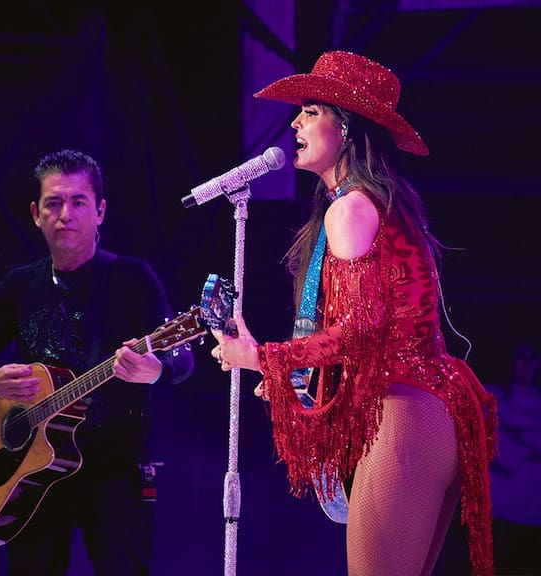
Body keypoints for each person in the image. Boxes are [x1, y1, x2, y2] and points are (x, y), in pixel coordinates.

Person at [209, 51, 497, 576]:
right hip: (427, 403)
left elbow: (360, 332)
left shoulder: (352, 207)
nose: (294, 123)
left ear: (345, 128)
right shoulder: (374, 202)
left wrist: (261, 357)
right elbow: (372, 327)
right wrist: (291, 370)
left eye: (311, 111)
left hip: (405, 404)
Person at [0, 148, 194, 575]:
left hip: (114, 476)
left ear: (100, 211)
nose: (65, 215)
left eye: (78, 202)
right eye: (53, 203)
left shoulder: (132, 279)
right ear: (35, 214)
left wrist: (157, 371)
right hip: (32, 476)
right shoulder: (20, 285)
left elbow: (181, 357)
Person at [488, 341, 541, 574]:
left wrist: (521, 434)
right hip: (502, 505)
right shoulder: (493, 397)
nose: (526, 365)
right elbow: (492, 440)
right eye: (522, 358)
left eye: (532, 359)